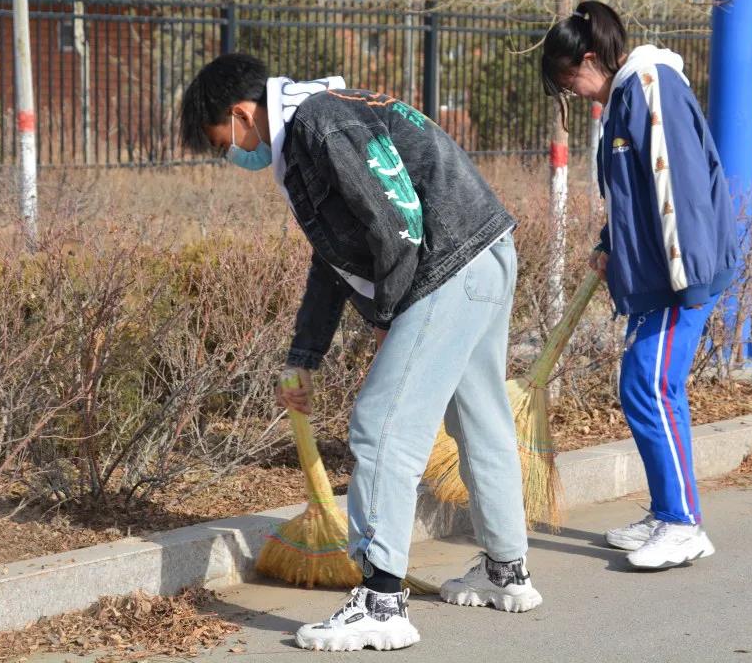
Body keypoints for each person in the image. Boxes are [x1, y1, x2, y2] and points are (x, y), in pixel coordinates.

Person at [180, 54, 542, 652]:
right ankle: (507, 572)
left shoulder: (319, 124)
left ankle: (380, 602)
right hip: (482, 253)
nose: (232, 155)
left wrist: (392, 316)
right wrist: (305, 356)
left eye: (225, 141)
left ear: (243, 114)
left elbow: (392, 217)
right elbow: (333, 261)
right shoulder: (323, 121)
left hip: (444, 266)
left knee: (381, 427)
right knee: (479, 418)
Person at [540, 1, 738, 569]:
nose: (572, 92)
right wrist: (610, 244)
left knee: (648, 386)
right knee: (650, 386)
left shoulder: (651, 85)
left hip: (681, 276)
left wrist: (684, 283)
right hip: (661, 273)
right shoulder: (626, 95)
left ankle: (682, 524)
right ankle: (667, 512)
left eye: (568, 78)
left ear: (591, 57)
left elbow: (682, 189)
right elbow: (634, 193)